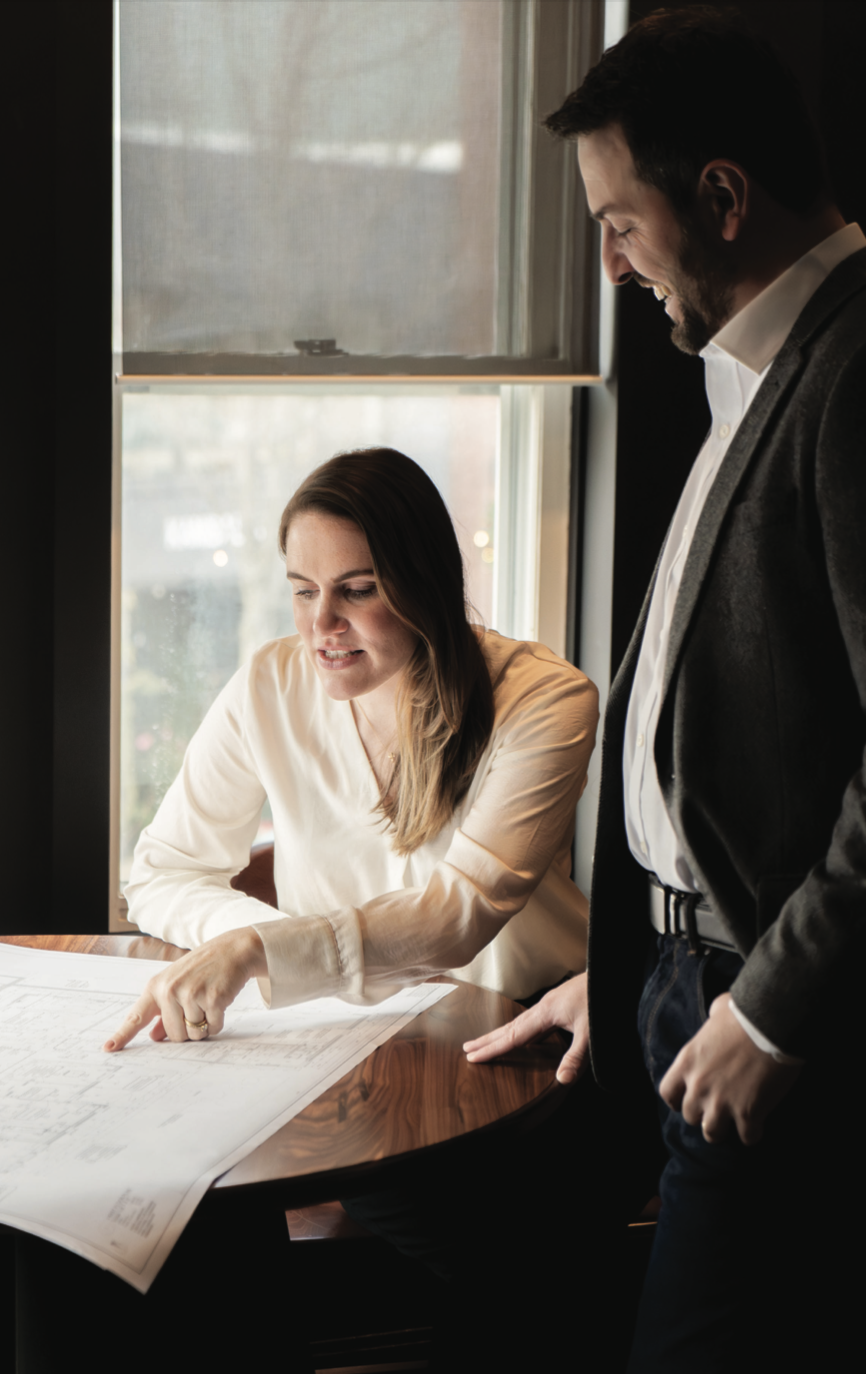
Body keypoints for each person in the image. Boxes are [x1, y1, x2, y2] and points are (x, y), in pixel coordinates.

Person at [465, 8, 865, 1371]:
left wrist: (762, 1005)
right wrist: (644, 961)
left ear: (724, 196)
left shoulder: (858, 374)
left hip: (777, 1016)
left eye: (619, 220)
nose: (608, 259)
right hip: (682, 979)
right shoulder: (753, 369)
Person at [105, 446, 597, 1043]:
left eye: (358, 590)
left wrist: (262, 951)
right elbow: (163, 874)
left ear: (426, 586)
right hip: (335, 1032)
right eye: (304, 591)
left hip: (521, 1029)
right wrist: (250, 942)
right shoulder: (269, 685)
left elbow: (458, 914)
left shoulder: (546, 700)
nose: (321, 625)